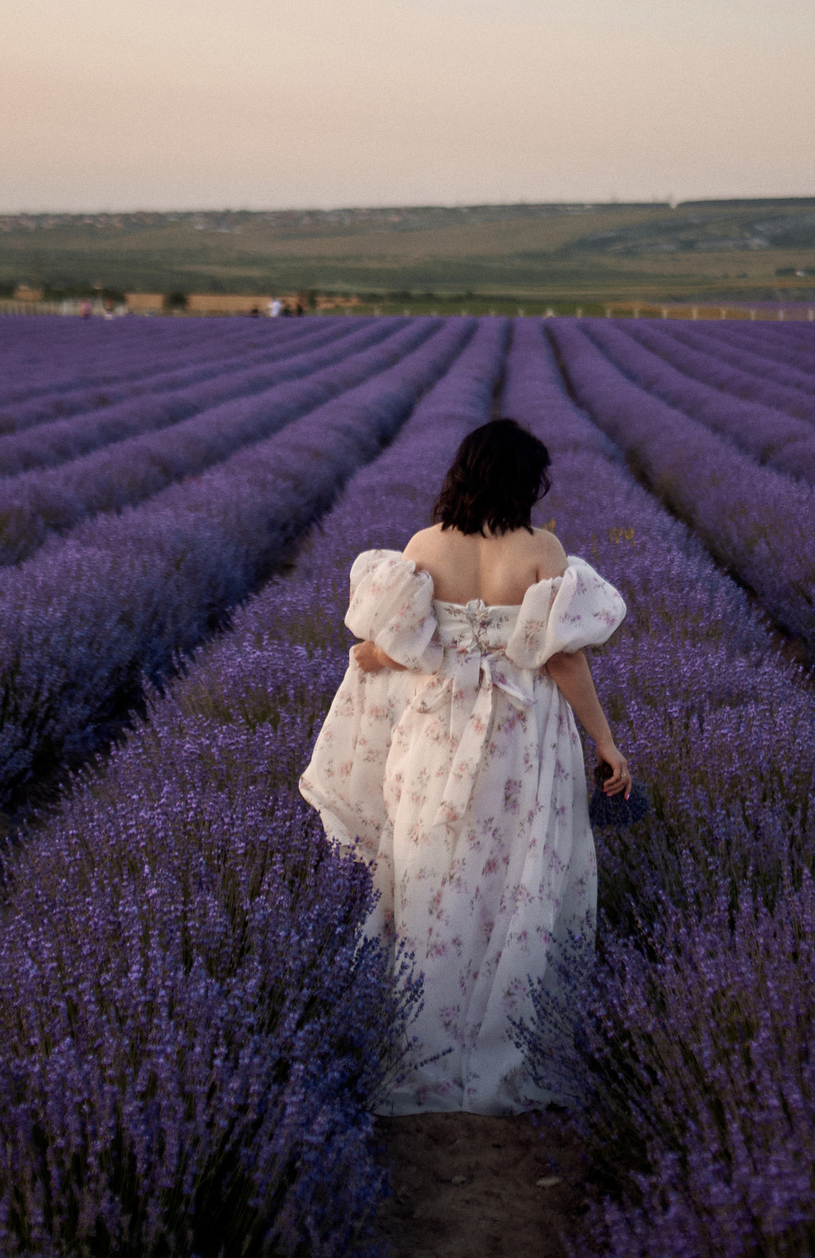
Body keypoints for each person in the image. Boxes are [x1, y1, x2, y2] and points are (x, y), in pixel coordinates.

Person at [299, 418, 630, 1113]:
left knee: (432, 874)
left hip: (435, 736)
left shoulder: (423, 546)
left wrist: (380, 657)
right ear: (522, 480)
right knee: (522, 878)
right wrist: (604, 740)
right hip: (523, 735)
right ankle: (508, 1040)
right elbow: (563, 658)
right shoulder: (541, 549)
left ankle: (427, 1042)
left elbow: (411, 642)